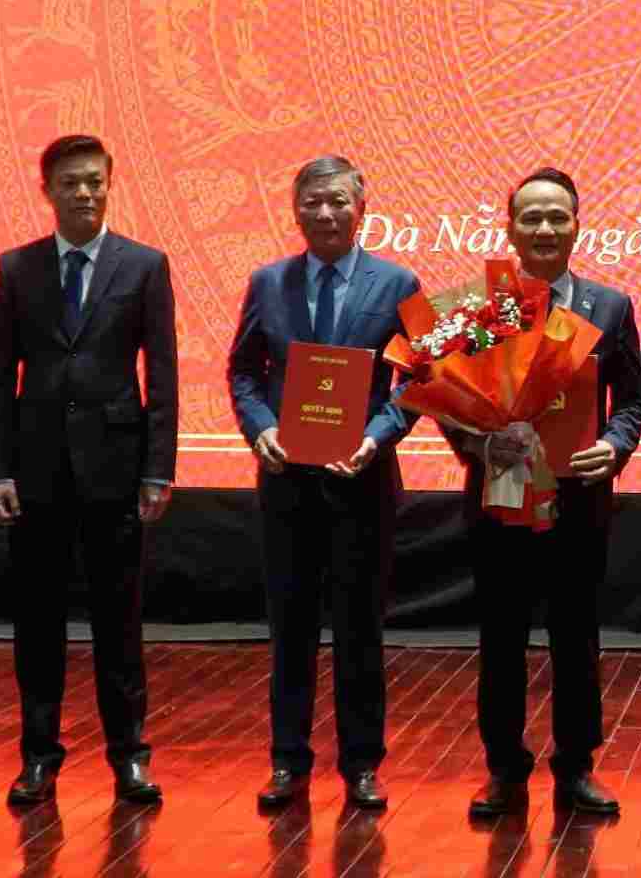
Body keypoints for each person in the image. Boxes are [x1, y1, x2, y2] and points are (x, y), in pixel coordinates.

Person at [0, 134, 179, 806]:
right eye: (70, 182)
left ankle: (130, 757)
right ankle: (38, 758)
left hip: (117, 471)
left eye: (94, 180)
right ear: (48, 191)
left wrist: (158, 469)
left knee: (118, 624)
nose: (84, 192)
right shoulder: (17, 267)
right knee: (37, 624)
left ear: (109, 184)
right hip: (36, 472)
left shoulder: (145, 265)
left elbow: (163, 375)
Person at [228, 156, 420, 813]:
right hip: (288, 485)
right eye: (312, 201)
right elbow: (244, 371)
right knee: (291, 630)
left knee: (360, 631)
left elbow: (420, 378)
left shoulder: (398, 282)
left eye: (338, 200)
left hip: (363, 484)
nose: (326, 213)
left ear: (362, 208)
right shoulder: (268, 282)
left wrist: (377, 435)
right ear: (295, 210)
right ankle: (287, 761)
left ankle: (362, 764)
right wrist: (260, 428)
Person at [455, 168, 641, 820]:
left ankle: (576, 766)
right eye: (531, 217)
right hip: (500, 494)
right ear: (510, 229)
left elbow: (633, 398)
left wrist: (615, 444)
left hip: (578, 499)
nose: (544, 228)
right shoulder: (483, 307)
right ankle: (503, 769)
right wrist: (480, 446)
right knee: (501, 637)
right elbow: (447, 399)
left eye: (557, 216)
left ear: (577, 226)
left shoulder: (609, 306)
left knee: (576, 637)